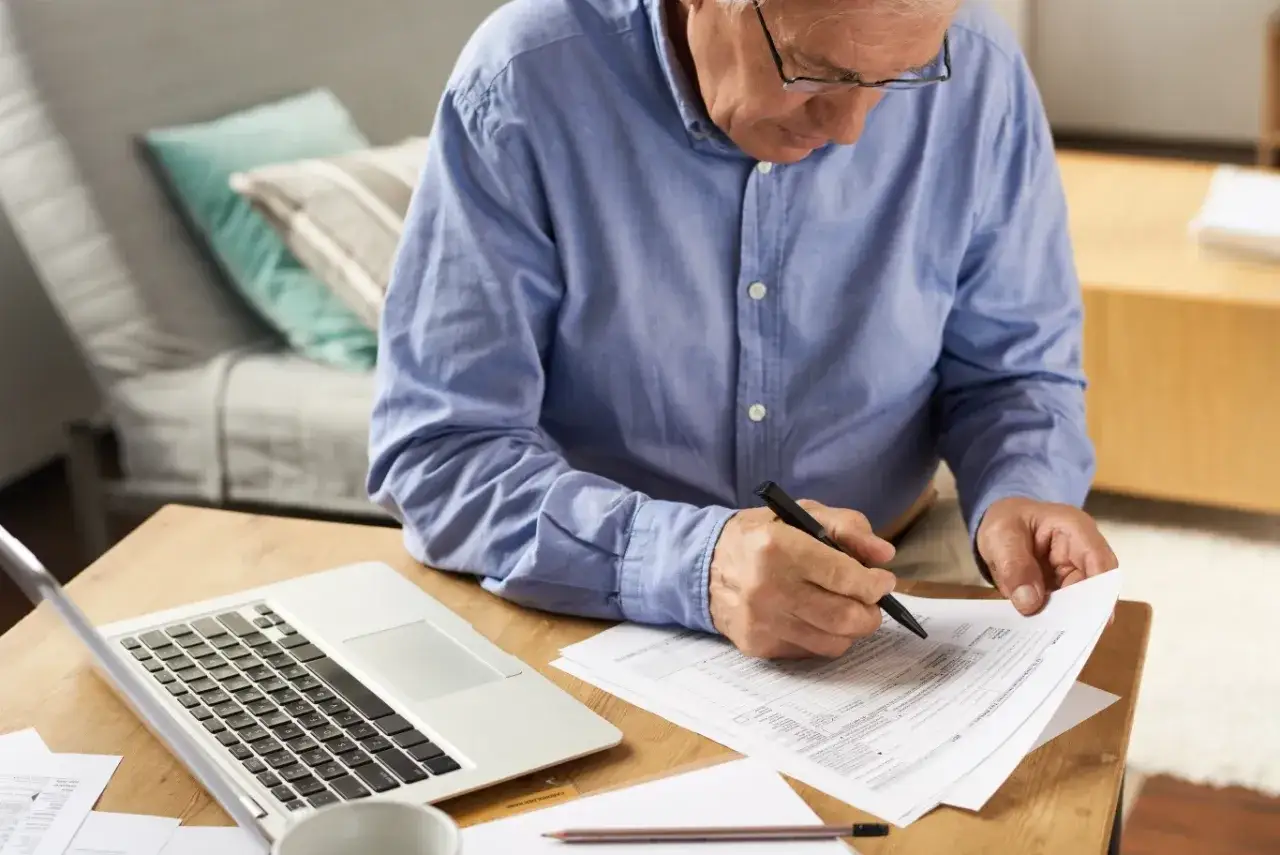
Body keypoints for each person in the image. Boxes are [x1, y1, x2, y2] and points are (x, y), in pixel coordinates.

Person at [367, 0, 1119, 660]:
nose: (852, 129)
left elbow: (1014, 372)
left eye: (898, 77)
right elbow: (440, 452)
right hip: (593, 599)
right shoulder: (522, 82)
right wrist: (698, 563)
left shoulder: (980, 71)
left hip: (896, 573)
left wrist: (1024, 487)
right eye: (814, 70)